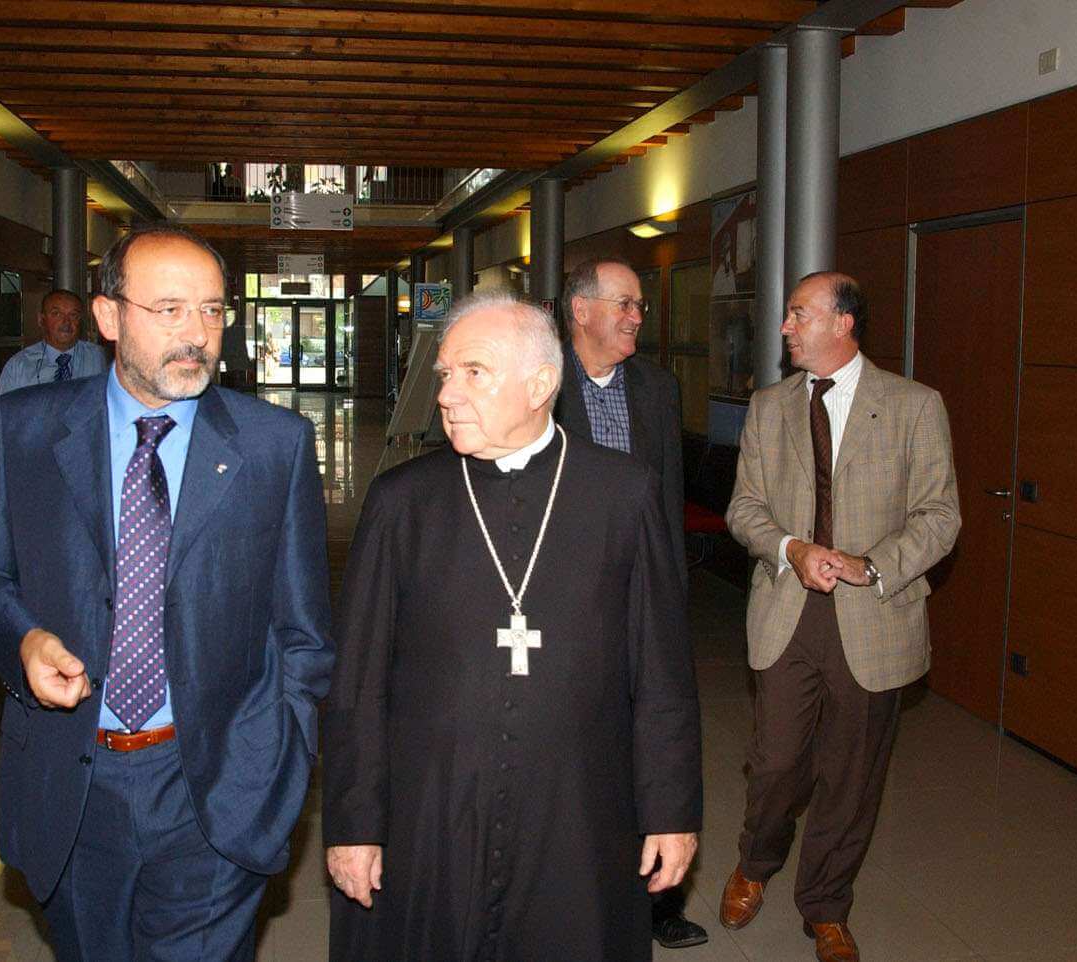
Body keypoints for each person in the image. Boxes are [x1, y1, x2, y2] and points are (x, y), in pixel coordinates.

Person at [0, 224, 333, 962]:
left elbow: (304, 632)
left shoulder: (273, 445)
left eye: (212, 310)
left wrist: (275, 762)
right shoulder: (24, 430)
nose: (198, 334)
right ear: (109, 316)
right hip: (73, 779)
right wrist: (23, 640)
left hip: (214, 784)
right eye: (170, 310)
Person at [323, 291, 701, 962]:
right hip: (431, 808)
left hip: (578, 808)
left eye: (474, 372)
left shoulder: (624, 494)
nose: (446, 395)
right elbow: (357, 682)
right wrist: (354, 822)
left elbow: (662, 671)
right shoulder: (402, 502)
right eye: (445, 374)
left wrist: (671, 810)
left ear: (540, 384)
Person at [719, 272, 960, 962]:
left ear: (844, 322)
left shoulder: (914, 405)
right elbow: (745, 509)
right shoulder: (769, 407)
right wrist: (791, 549)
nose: (786, 327)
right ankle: (756, 861)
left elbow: (940, 516)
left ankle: (826, 905)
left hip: (873, 615)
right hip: (787, 611)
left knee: (851, 776)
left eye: (799, 314)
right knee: (775, 763)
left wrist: (872, 564)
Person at [558, 257, 706, 950]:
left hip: (643, 592)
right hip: (565, 600)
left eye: (640, 305)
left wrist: (671, 595)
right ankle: (573, 889)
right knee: (577, 751)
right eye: (623, 304)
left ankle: (659, 902)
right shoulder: (541, 380)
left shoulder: (657, 388)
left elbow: (668, 495)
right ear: (581, 310)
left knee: (653, 745)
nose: (636, 317)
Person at [0, 288, 105, 395]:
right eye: (57, 314)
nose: (66, 322)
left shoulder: (100, 358)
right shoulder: (19, 365)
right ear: (41, 320)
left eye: (73, 315)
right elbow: (3, 407)